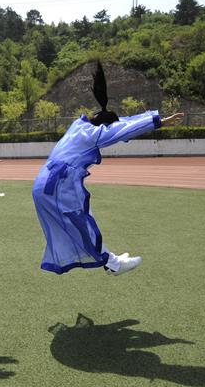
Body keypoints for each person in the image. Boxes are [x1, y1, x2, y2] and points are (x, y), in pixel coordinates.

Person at [32, 61, 183, 275]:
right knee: (81, 219)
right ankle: (112, 263)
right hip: (61, 183)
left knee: (80, 219)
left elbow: (120, 123)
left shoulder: (78, 125)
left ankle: (108, 259)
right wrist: (159, 120)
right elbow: (123, 128)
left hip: (42, 183)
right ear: (106, 127)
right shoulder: (97, 134)